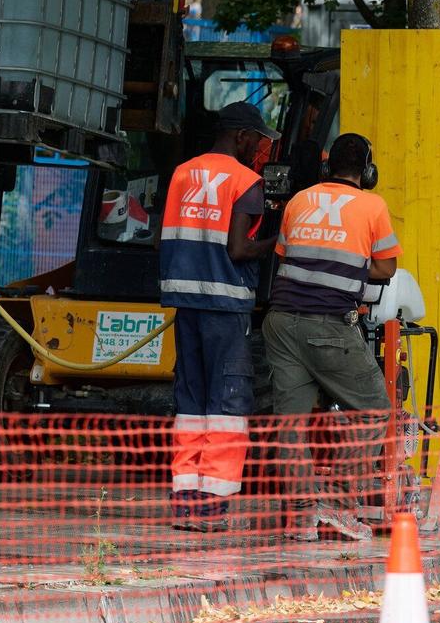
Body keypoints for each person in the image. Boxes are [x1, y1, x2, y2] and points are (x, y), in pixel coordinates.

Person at [262, 132, 401, 540]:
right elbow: (387, 268)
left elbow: (289, 256)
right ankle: (339, 505)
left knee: (290, 424)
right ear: (367, 172)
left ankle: (303, 515)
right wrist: (356, 266)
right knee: (375, 407)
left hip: (281, 323)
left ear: (327, 167)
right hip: (327, 324)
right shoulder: (373, 205)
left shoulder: (298, 201)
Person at [159, 101, 278, 531]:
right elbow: (239, 249)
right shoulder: (246, 180)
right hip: (225, 307)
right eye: (257, 140)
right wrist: (277, 242)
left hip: (185, 303)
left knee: (190, 404)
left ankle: (185, 501)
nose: (259, 149)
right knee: (226, 405)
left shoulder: (182, 172)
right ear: (241, 136)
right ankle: (211, 507)